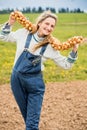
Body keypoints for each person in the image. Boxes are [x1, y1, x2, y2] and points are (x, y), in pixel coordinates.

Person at [0, 10, 79, 130]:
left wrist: (74, 51)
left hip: (35, 86)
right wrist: (10, 23)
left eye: (52, 26)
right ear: (40, 22)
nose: (49, 28)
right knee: (28, 118)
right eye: (47, 23)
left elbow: (66, 65)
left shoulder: (51, 47)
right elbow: (3, 37)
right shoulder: (24, 33)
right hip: (16, 81)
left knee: (32, 124)